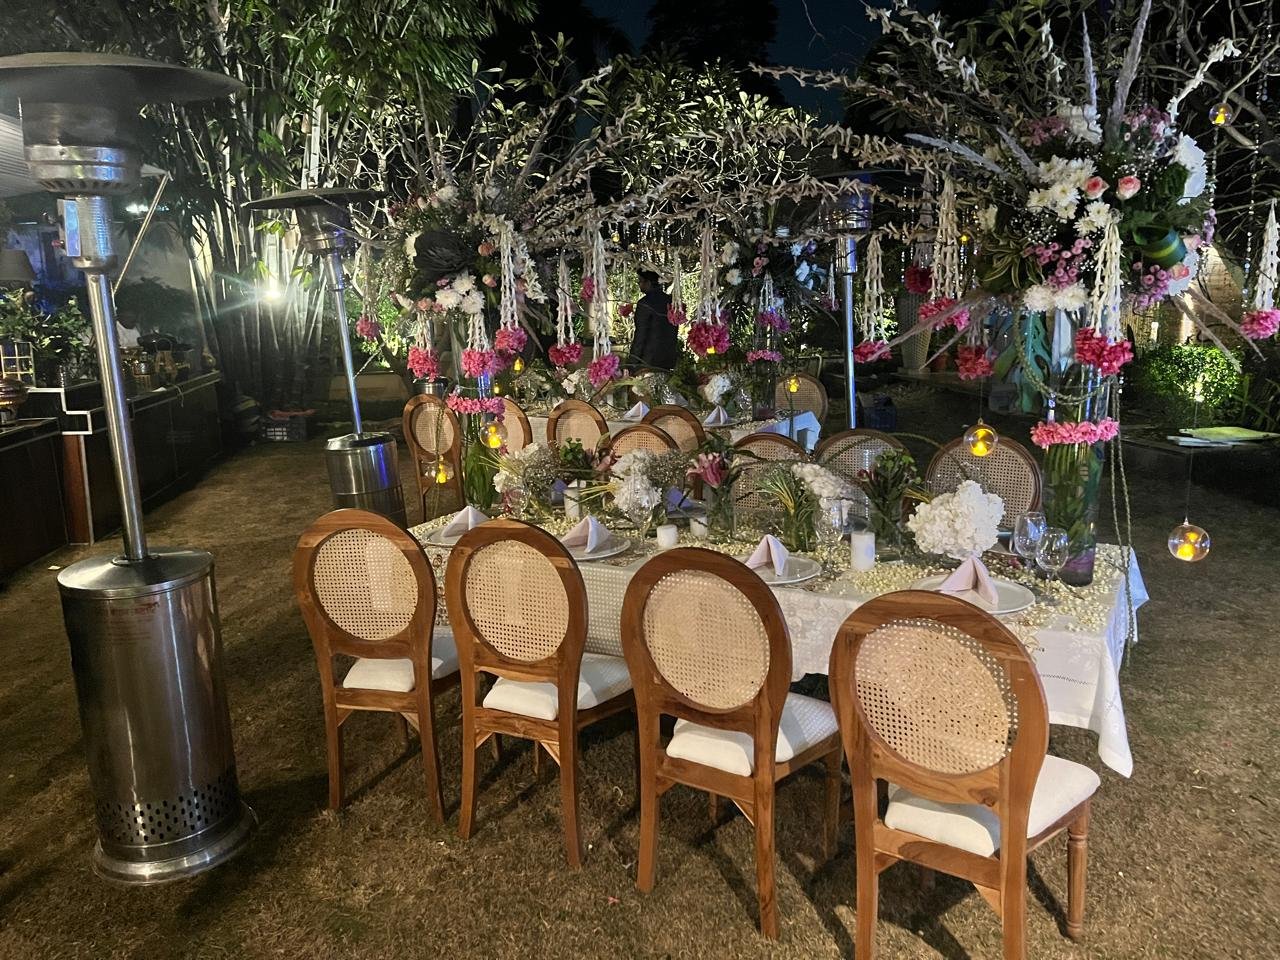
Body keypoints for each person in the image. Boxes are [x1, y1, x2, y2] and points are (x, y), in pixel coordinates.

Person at [628, 268, 678, 370]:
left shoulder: (645, 303)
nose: (638, 284)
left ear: (648, 283)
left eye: (640, 281)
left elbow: (640, 335)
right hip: (669, 359)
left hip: (648, 361)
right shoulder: (671, 301)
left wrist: (632, 362)